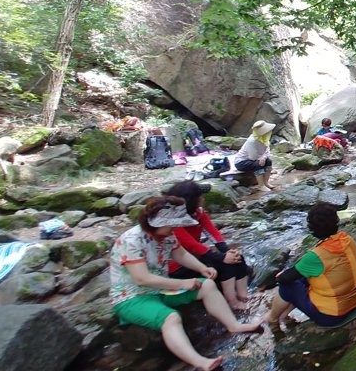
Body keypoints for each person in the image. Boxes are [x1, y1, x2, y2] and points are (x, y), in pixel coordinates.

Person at [109, 196, 263, 371]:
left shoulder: (167, 235)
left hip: (160, 290)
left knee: (207, 285)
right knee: (171, 318)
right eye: (171, 224)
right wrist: (183, 284)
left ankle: (233, 325)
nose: (174, 228)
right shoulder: (132, 240)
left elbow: (180, 254)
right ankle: (199, 361)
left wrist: (202, 268)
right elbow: (141, 278)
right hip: (131, 297)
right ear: (156, 223)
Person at [267, 201, 356, 329]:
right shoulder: (348, 240)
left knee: (287, 286)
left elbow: (283, 279)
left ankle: (272, 319)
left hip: (332, 316)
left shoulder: (316, 256)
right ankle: (284, 315)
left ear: (312, 229)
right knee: (303, 278)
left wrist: (280, 277)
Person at [166, 181, 250, 310]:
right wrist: (222, 257)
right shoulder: (171, 220)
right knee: (224, 264)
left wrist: (227, 251)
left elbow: (213, 233)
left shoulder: (198, 212)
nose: (203, 198)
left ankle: (243, 295)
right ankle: (232, 302)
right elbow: (191, 245)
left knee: (237, 258)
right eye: (200, 196)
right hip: (179, 265)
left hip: (196, 256)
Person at [235, 120, 275, 192]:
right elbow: (252, 157)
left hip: (259, 158)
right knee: (257, 164)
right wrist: (261, 158)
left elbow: (267, 151)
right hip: (241, 162)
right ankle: (261, 185)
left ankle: (266, 182)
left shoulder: (265, 139)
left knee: (269, 161)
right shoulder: (252, 141)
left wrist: (264, 157)